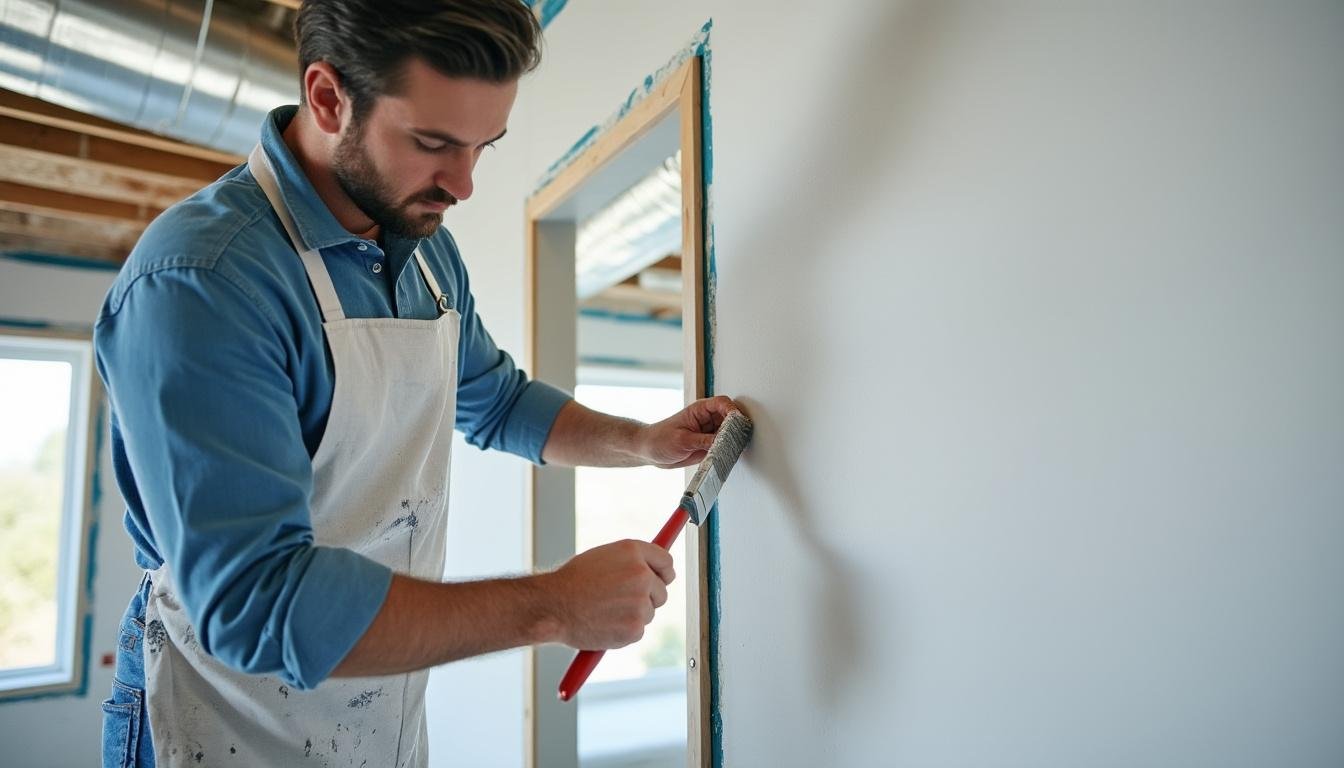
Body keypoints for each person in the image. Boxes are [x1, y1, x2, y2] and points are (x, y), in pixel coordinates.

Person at [94, 1, 737, 765]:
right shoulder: (205, 281)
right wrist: (553, 606)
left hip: (378, 710)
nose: (462, 185)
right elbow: (255, 604)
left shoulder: (427, 250)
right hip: (221, 713)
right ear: (330, 98)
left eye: (481, 147)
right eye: (433, 144)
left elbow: (495, 401)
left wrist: (641, 442)